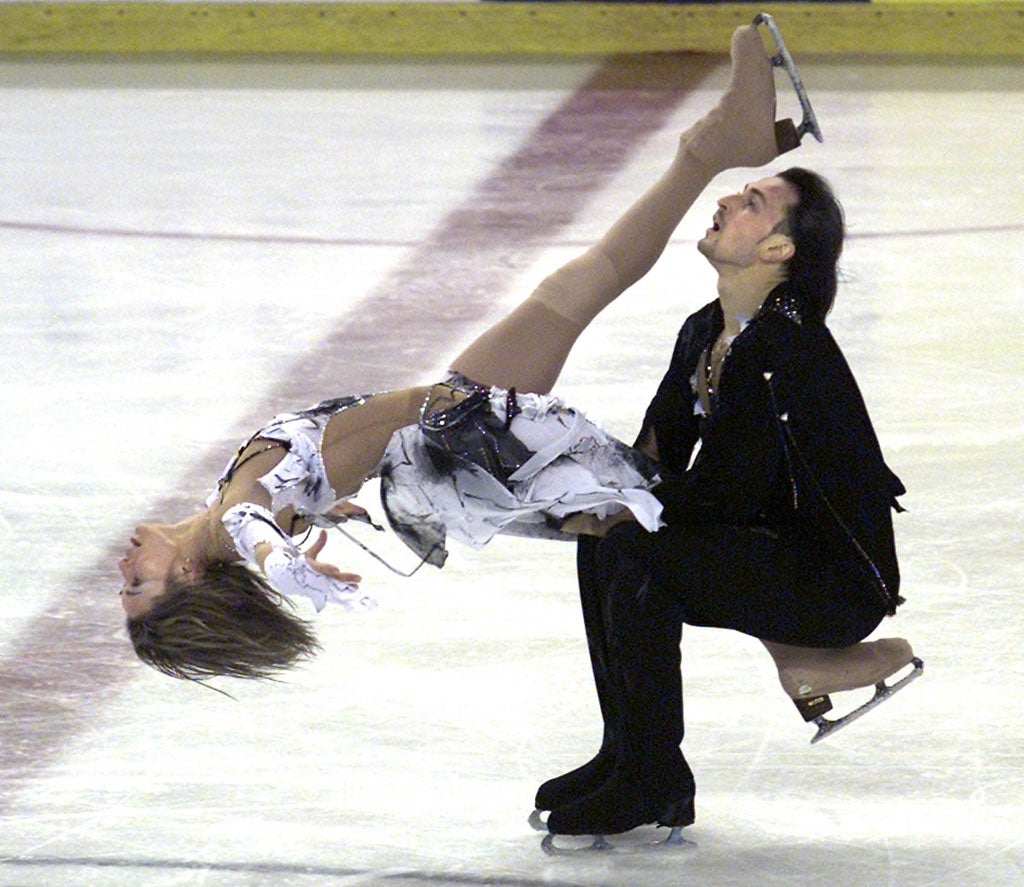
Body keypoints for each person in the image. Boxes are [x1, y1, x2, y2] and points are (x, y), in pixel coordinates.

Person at [121, 23, 809, 684]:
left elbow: (287, 499)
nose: (126, 564)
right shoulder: (238, 515)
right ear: (184, 575)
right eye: (136, 583)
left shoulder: (230, 509)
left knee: (617, 462)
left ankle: (795, 657)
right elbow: (258, 530)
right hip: (445, 434)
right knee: (595, 336)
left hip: (439, 450)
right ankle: (715, 145)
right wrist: (287, 556)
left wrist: (322, 508)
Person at [533, 54, 908, 845]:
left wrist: (620, 509)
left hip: (834, 580)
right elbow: (656, 452)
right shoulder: (706, 331)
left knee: (632, 545)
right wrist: (580, 491)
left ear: (778, 252)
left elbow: (728, 492)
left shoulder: (783, 348)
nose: (726, 200)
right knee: (608, 545)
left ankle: (653, 774)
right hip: (773, 546)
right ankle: (629, 754)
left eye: (752, 202)